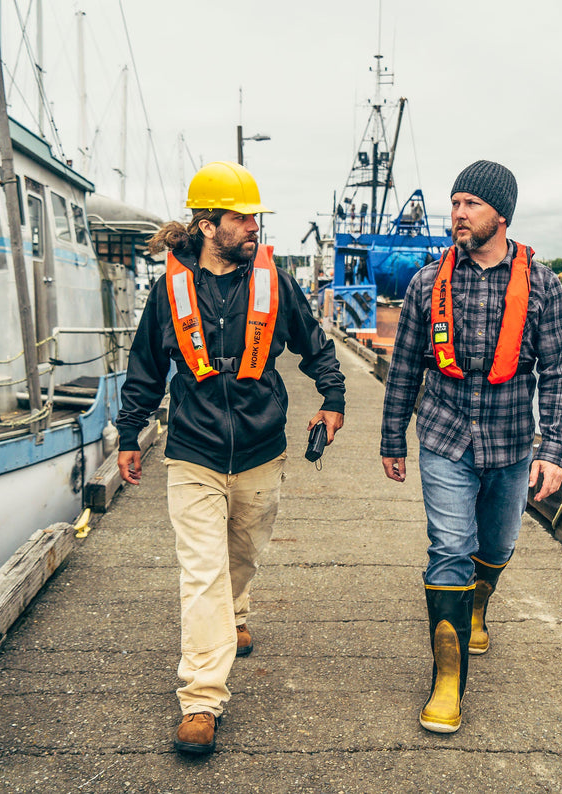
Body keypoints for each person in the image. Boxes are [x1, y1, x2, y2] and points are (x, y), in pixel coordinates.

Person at [116, 161, 345, 756]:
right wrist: (128, 434)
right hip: (192, 448)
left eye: (255, 218)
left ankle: (236, 612)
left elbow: (313, 344)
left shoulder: (274, 280)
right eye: (241, 219)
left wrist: (334, 397)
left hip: (262, 448)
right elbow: (145, 368)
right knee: (202, 572)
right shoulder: (168, 290)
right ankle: (201, 698)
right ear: (206, 223)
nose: (253, 228)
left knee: (241, 554)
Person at [380, 160, 562, 733]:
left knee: (498, 545)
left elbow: (560, 370)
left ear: (501, 215)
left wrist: (554, 448)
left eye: (470, 204)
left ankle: (479, 603)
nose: (457, 214)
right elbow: (403, 370)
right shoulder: (426, 283)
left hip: (514, 443)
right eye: (455, 202)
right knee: (449, 549)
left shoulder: (543, 286)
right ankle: (447, 681)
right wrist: (393, 437)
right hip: (443, 438)